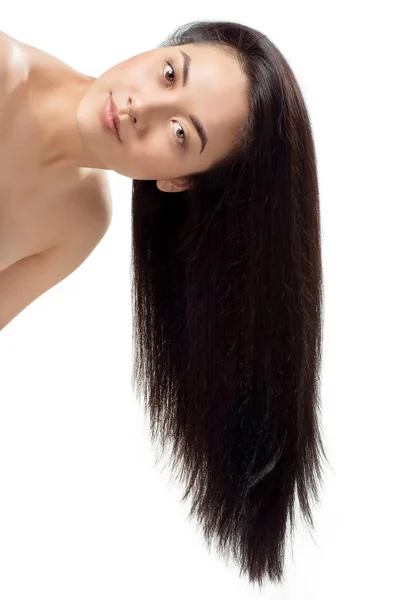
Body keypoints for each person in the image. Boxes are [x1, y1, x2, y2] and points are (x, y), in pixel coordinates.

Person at [0, 20, 329, 587]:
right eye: (170, 72)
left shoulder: (81, 223)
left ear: (178, 183)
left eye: (180, 135)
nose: (139, 107)